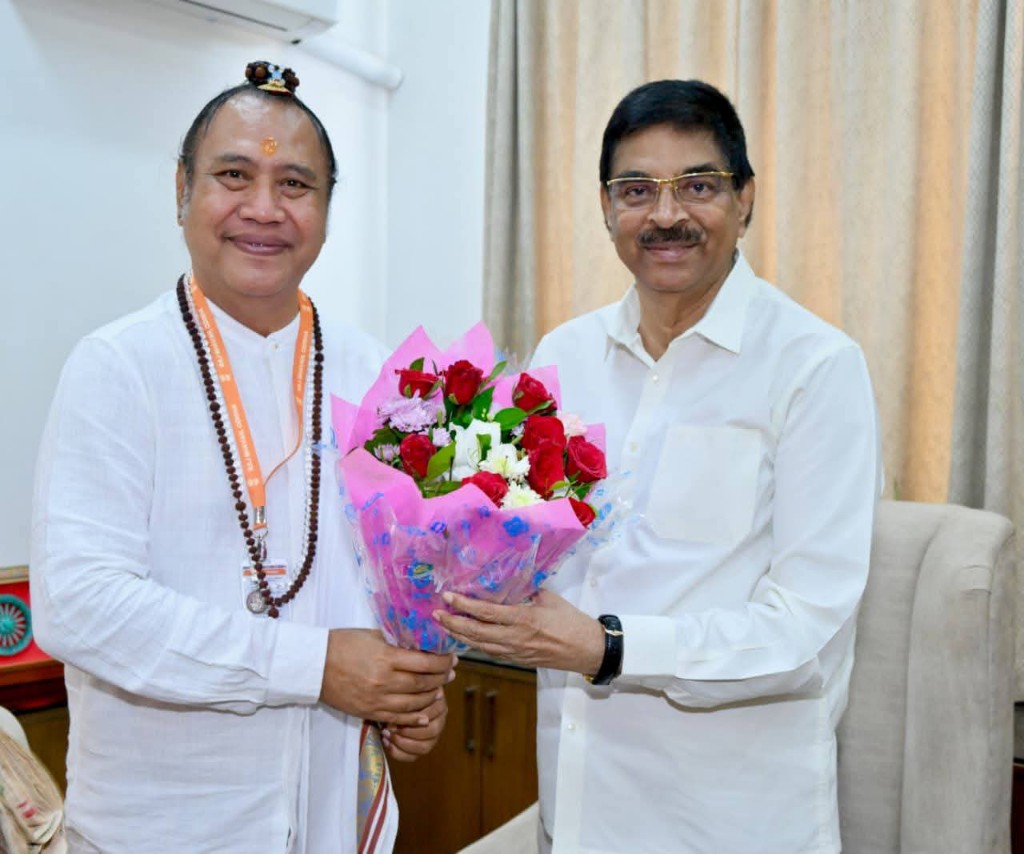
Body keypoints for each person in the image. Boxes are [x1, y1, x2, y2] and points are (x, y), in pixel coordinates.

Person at [436, 79, 881, 853]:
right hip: (576, 807)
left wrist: (606, 646)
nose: (666, 214)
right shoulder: (565, 355)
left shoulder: (815, 367)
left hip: (728, 823)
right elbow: (526, 548)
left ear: (745, 198)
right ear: (606, 208)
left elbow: (805, 631)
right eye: (637, 190)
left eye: (698, 186)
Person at [30, 61, 454, 853]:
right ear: (182, 191)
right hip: (163, 828)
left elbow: (404, 583)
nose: (263, 209)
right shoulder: (118, 366)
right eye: (233, 175)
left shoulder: (380, 377)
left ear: (326, 210)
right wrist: (314, 667)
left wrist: (412, 690)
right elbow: (81, 604)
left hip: (334, 817)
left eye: (295, 184)